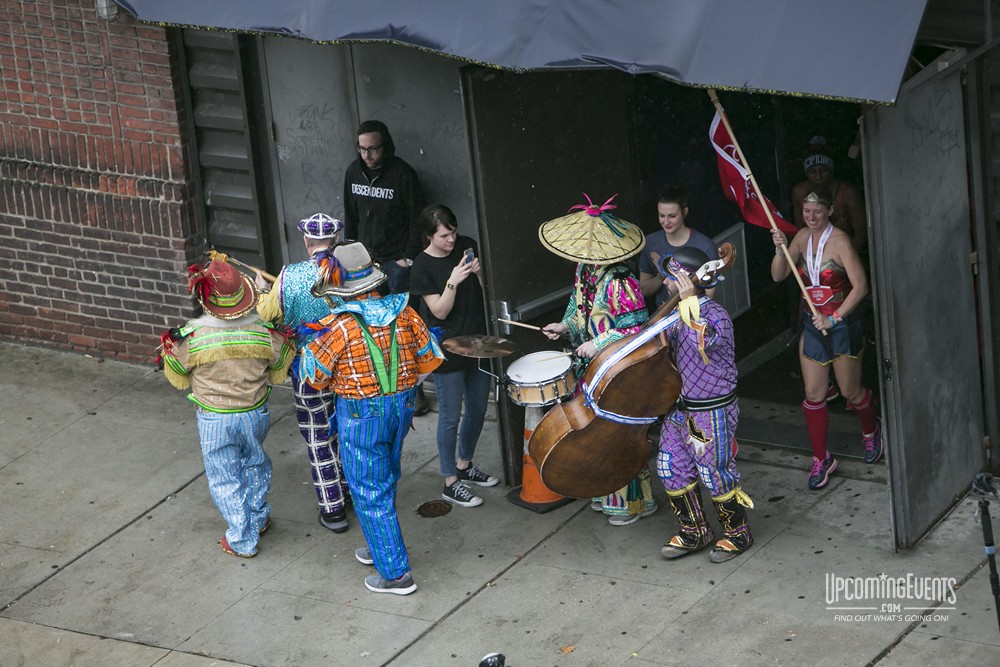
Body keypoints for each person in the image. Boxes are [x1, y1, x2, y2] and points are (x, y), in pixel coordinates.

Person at [301, 241, 444, 595]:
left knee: (369, 489)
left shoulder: (339, 328)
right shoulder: (406, 314)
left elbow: (314, 378)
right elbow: (430, 358)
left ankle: (395, 575)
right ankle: (381, 545)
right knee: (384, 479)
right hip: (401, 407)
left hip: (360, 414)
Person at [158, 258, 294, 558]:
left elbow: (177, 374)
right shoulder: (264, 333)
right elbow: (279, 365)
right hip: (255, 413)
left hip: (214, 419)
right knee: (255, 463)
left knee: (225, 477)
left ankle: (241, 539)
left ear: (205, 300)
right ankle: (258, 518)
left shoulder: (192, 338)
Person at [540, 194, 657, 526]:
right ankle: (604, 491)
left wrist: (598, 342)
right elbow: (577, 307)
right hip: (590, 370)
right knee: (594, 433)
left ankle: (631, 503)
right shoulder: (584, 271)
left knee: (616, 434)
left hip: (617, 370)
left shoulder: (622, 282)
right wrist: (565, 326)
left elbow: (637, 329)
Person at [770, 184, 883, 491]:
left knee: (851, 392)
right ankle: (822, 457)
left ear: (830, 210)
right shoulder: (801, 237)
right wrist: (781, 248)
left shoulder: (841, 241)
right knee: (814, 394)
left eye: (818, 211)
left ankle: (871, 431)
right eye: (806, 212)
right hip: (812, 325)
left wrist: (834, 317)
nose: (812, 217)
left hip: (841, 326)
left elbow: (860, 287)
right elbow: (779, 275)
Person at [652, 246, 753, 563]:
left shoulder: (714, 315)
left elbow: (704, 340)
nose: (666, 282)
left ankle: (737, 533)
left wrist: (688, 303)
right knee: (669, 466)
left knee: (713, 472)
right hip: (680, 409)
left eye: (673, 278)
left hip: (708, 412)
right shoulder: (674, 312)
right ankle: (695, 530)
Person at [255, 213, 352, 534]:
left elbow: (270, 316)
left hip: (308, 369)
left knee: (318, 435)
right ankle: (350, 490)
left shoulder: (288, 276)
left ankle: (332, 508)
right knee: (348, 432)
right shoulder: (349, 272)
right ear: (335, 240)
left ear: (306, 241)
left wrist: (262, 292)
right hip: (347, 366)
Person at [409, 204, 499, 508]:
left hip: (478, 341)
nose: (451, 240)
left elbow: (488, 291)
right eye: (445, 236)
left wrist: (478, 272)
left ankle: (465, 464)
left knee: (476, 407)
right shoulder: (422, 267)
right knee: (449, 416)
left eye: (453, 233)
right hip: (447, 349)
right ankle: (450, 480)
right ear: (429, 236)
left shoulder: (466, 246)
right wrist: (453, 280)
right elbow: (439, 311)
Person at [343, 119, 431, 415]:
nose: (367, 155)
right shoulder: (353, 172)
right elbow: (350, 215)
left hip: (396, 264)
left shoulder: (403, 175)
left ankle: (413, 392)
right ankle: (378, 386)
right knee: (368, 326)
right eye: (362, 149)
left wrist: (407, 258)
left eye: (373, 149)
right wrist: (351, 253)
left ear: (386, 146)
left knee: (402, 327)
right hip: (365, 265)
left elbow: (417, 218)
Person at [638, 185, 719, 309]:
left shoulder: (704, 245)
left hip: (695, 318)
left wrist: (685, 291)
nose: (665, 222)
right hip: (663, 320)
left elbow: (709, 298)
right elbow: (645, 291)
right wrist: (661, 276)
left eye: (672, 216)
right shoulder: (650, 242)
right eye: (661, 215)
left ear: (685, 212)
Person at [790, 135, 868, 254]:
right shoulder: (798, 192)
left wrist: (843, 260)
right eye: (812, 172)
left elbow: (861, 235)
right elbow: (799, 232)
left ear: (831, 170)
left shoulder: (847, 193)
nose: (818, 176)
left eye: (823, 171)